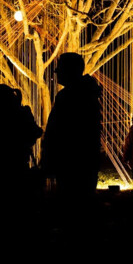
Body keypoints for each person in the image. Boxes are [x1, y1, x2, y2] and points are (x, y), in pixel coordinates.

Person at [41, 52, 103, 200]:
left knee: (72, 203)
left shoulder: (69, 96)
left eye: (60, 69)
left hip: (71, 163)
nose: (56, 73)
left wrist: (49, 158)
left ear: (70, 71)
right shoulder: (87, 93)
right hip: (84, 162)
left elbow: (59, 131)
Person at [0, 84, 43, 201]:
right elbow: (36, 132)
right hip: (17, 177)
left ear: (0, 102)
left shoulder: (1, 124)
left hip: (2, 181)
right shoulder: (19, 118)